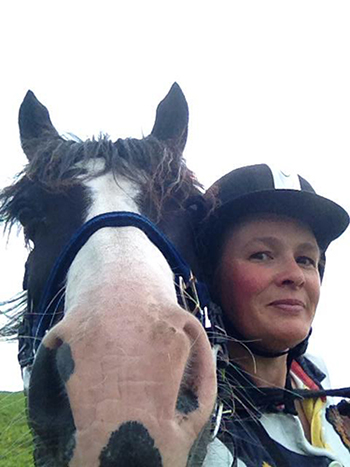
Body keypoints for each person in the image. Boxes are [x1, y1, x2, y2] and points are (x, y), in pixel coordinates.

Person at [198, 164, 350, 467]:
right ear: (208, 276)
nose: (295, 276)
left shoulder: (327, 399)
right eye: (262, 255)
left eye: (306, 259)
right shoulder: (183, 429)